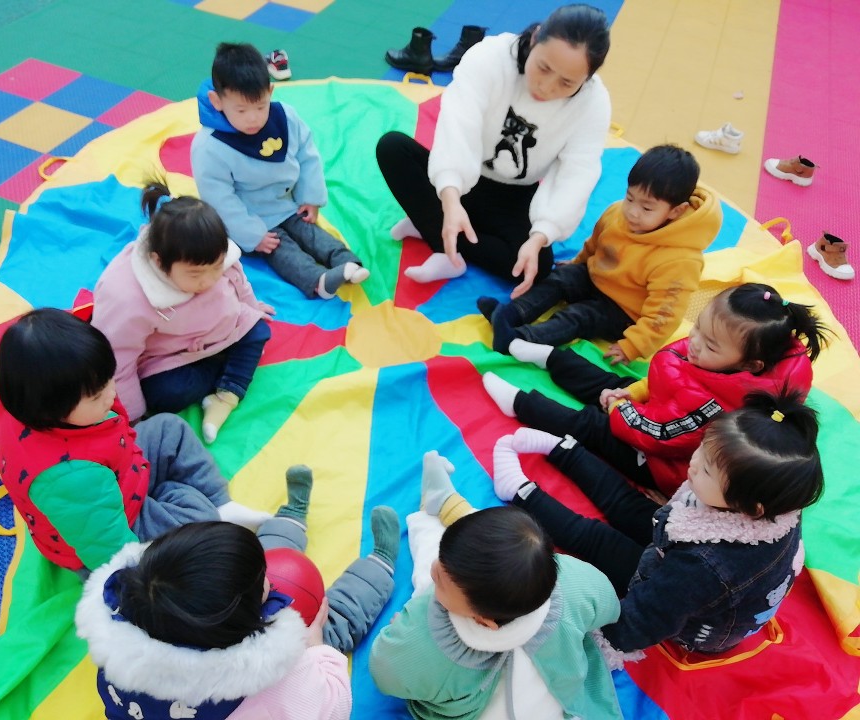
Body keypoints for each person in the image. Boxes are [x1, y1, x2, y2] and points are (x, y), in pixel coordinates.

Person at [491, 390, 823, 654]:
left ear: (750, 506)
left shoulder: (703, 569)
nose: (694, 463)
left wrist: (602, 641)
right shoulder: (776, 502)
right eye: (702, 449)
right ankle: (565, 450)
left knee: (598, 540)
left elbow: (646, 618)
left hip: (692, 617)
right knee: (628, 504)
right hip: (699, 556)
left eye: (707, 469)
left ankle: (521, 492)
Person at [76, 480, 401, 720]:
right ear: (238, 623)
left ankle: (288, 520)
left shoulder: (121, 650)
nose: (270, 579)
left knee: (254, 563)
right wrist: (316, 649)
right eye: (263, 582)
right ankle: (378, 566)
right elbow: (332, 706)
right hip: (279, 677)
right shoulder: (279, 683)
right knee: (331, 623)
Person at [482, 283, 828, 498]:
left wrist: (619, 408)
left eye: (709, 344)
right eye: (698, 328)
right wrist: (635, 392)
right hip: (663, 409)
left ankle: (521, 404)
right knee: (606, 382)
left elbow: (656, 433)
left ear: (749, 365)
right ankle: (547, 356)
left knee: (593, 426)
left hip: (663, 463)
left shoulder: (718, 407)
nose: (694, 342)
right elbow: (669, 379)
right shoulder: (723, 357)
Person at [0, 308, 270, 577]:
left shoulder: (37, 405)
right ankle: (211, 514)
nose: (111, 393)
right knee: (197, 516)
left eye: (108, 379)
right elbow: (113, 554)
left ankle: (221, 503)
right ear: (51, 409)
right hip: (116, 529)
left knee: (168, 428)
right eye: (96, 396)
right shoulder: (70, 479)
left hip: (120, 470)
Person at [375, 4, 611, 295]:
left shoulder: (593, 102)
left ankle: (431, 226)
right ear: (535, 38)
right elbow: (458, 125)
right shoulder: (491, 57)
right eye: (543, 68)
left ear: (586, 79)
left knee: (536, 267)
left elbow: (577, 172)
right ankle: (442, 234)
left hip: (514, 195)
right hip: (467, 175)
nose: (547, 87)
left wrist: (540, 235)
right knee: (392, 148)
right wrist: (450, 199)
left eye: (566, 83)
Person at [369, 453, 622, 720]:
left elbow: (384, 670)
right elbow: (609, 605)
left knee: (428, 571)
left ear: (483, 621)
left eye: (441, 582)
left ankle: (433, 508)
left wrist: (403, 629)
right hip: (573, 706)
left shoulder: (426, 642)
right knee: (489, 552)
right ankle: (446, 503)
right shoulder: (572, 582)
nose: (436, 569)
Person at [478, 144, 722, 360]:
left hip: (623, 312)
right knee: (561, 278)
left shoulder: (680, 259)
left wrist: (634, 345)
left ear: (675, 211)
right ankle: (509, 314)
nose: (633, 212)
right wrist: (578, 263)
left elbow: (665, 314)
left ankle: (519, 340)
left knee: (580, 316)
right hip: (597, 279)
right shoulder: (617, 213)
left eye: (647, 208)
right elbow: (595, 243)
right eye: (630, 198)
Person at [92, 180, 272, 442]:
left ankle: (227, 394)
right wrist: (134, 417)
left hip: (219, 331)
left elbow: (238, 280)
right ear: (159, 262)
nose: (209, 280)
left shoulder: (212, 254)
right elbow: (118, 358)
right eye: (195, 275)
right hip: (169, 358)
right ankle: (230, 368)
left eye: (216, 267)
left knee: (259, 330)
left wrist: (252, 307)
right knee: (166, 395)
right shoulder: (127, 296)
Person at [191, 42, 369, 300]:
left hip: (286, 204)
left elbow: (307, 154)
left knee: (311, 232)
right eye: (241, 110)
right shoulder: (210, 146)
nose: (253, 118)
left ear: (270, 91)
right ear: (216, 101)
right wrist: (253, 234)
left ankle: (346, 262)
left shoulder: (285, 116)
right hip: (253, 217)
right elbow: (219, 199)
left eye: (260, 106)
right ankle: (318, 282)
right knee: (281, 249)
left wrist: (310, 197)